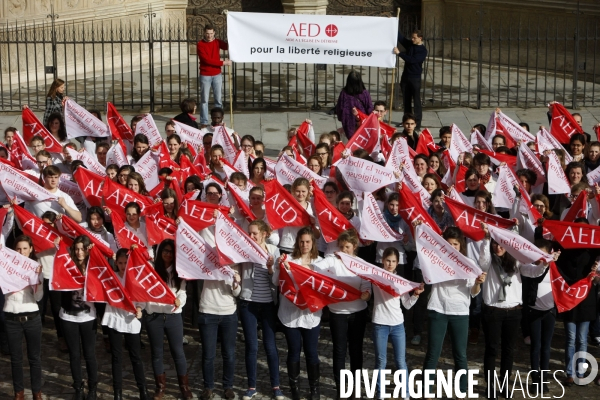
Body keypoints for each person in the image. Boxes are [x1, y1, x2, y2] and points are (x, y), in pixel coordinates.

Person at [418, 224, 486, 397]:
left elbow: (473, 292)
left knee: (460, 354)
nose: (453, 247)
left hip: (460, 312)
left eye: (456, 244)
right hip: (438, 308)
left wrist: (478, 282)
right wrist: (417, 229)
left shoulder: (469, 263)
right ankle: (427, 389)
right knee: (433, 352)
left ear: (461, 244)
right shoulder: (436, 260)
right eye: (449, 244)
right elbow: (423, 252)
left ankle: (462, 389)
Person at [312, 229, 371, 398]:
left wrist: (366, 294)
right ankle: (341, 388)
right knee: (339, 350)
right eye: (342, 247)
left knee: (356, 349)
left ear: (354, 247)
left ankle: (354, 388)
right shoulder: (331, 260)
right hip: (337, 312)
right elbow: (315, 269)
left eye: (348, 247)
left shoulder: (361, 264)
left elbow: (366, 284)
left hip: (358, 311)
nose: (345, 250)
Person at [238, 220, 284, 400]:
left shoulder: (273, 250)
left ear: (264, 233)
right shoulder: (245, 249)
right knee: (251, 346)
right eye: (249, 233)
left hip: (267, 304)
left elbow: (276, 282)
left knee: (270, 346)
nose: (251, 236)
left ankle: (276, 386)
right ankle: (251, 386)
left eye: (255, 233)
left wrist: (271, 268)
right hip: (248, 302)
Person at [277, 227, 323, 400]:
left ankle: (315, 390)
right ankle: (294, 388)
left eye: (308, 242)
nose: (304, 245)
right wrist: (277, 266)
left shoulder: (320, 262)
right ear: (297, 242)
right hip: (291, 313)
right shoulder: (288, 259)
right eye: (302, 241)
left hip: (311, 315)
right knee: (293, 351)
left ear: (313, 243)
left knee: (312, 352)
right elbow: (277, 282)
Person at [372, 247, 423, 400]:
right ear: (382, 260)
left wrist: (415, 294)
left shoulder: (400, 282)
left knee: (400, 360)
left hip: (397, 325)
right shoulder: (375, 276)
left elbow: (406, 304)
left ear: (397, 263)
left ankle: (405, 392)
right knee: (381, 360)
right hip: (380, 323)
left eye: (394, 261)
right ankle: (380, 392)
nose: (390, 264)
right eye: (388, 260)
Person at [145, 239, 191, 400]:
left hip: (173, 315)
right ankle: (160, 388)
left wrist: (180, 302)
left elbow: (183, 292)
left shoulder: (180, 271)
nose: (168, 254)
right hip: (154, 316)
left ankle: (184, 387)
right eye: (165, 251)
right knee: (157, 353)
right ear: (159, 252)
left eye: (171, 252)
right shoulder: (151, 270)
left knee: (178, 352)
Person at [102, 249, 149, 400]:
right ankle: (118, 392)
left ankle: (143, 390)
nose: (123, 266)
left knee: (135, 356)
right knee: (116, 357)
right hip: (114, 318)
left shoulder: (135, 277)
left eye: (125, 262)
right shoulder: (111, 278)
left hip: (131, 319)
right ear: (116, 263)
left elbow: (141, 298)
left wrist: (140, 309)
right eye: (120, 263)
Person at [3, 235, 44, 400]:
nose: (21, 252)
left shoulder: (36, 267)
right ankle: (18, 393)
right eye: (18, 249)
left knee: (35, 358)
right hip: (11, 316)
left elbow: (39, 297)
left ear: (31, 249)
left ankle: (37, 393)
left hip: (32, 316)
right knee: (16, 358)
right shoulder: (5, 267)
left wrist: (38, 280)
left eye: (25, 248)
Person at [60, 236, 98, 400]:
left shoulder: (95, 267)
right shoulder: (67, 265)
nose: (79, 252)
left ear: (88, 249)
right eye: (76, 249)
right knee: (74, 354)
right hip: (68, 317)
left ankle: (93, 389)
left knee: (90, 354)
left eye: (83, 248)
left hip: (88, 317)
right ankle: (78, 387)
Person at [197, 24, 231, 126]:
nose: (209, 36)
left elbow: (227, 46)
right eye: (207, 33)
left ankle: (218, 120)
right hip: (205, 75)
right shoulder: (200, 44)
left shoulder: (217, 42)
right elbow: (207, 60)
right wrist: (223, 63)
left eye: (211, 33)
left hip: (217, 74)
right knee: (204, 100)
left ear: (214, 33)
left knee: (218, 99)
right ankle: (204, 121)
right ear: (204, 33)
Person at [393, 30, 427, 128]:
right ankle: (406, 121)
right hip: (406, 76)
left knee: (416, 102)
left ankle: (417, 124)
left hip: (415, 78)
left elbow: (413, 60)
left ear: (420, 38)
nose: (412, 39)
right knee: (406, 100)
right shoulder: (410, 44)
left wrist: (399, 54)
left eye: (414, 38)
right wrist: (394, 23)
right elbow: (401, 38)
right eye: (412, 37)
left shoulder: (423, 50)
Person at [335, 70, 373, 139]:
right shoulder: (365, 93)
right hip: (362, 124)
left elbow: (339, 109)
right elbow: (369, 109)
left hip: (348, 125)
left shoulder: (344, 94)